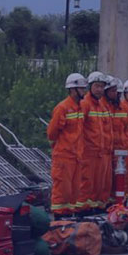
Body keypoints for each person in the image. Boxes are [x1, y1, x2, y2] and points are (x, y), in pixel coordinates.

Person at [46, 73, 88, 217]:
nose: (84, 91)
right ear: (72, 90)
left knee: (74, 191)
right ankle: (59, 219)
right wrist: (60, 148)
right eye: (81, 89)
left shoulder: (80, 107)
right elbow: (52, 133)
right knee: (61, 191)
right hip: (64, 157)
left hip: (76, 157)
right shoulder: (62, 108)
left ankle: (69, 218)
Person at [78, 71, 111, 212]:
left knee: (100, 184)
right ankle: (83, 210)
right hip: (88, 153)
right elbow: (78, 129)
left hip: (101, 153)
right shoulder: (84, 104)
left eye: (102, 87)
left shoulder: (102, 107)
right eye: (97, 86)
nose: (100, 90)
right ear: (90, 87)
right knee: (86, 184)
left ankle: (96, 208)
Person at [105, 76, 128, 199]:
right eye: (114, 92)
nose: (117, 96)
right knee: (107, 181)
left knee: (121, 180)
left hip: (120, 150)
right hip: (108, 150)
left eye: (118, 93)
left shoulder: (123, 108)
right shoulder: (105, 108)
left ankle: (120, 202)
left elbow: (127, 129)